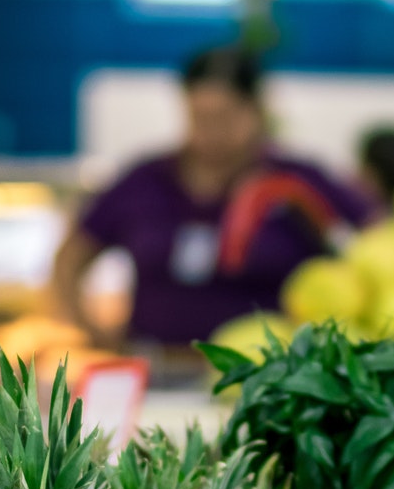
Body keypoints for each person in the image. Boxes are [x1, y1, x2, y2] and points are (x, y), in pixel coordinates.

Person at [51, 47, 377, 349]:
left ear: (257, 112)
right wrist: (94, 334)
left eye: (224, 118)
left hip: (270, 380)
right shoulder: (144, 182)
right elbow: (70, 259)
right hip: (155, 371)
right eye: (199, 118)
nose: (210, 133)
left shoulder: (297, 183)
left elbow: (378, 238)